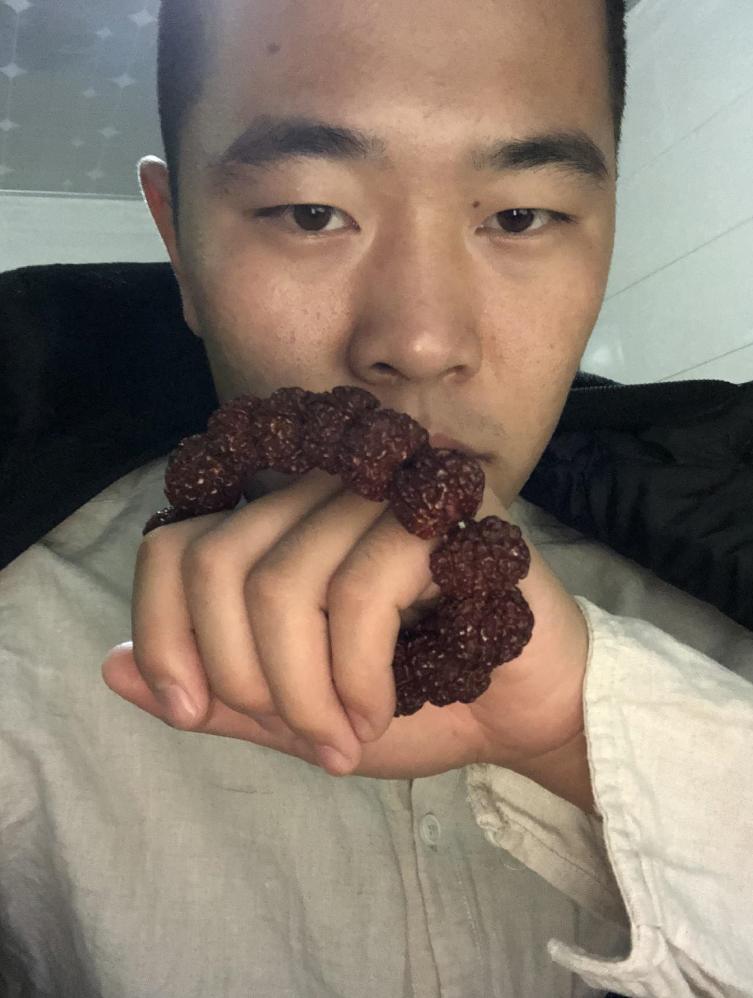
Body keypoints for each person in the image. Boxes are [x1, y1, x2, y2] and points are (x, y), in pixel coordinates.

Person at [0, 0, 751, 995]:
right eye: (311, 212)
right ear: (179, 242)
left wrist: (590, 740)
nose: (422, 340)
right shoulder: (20, 673)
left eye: (518, 216)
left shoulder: (717, 627)